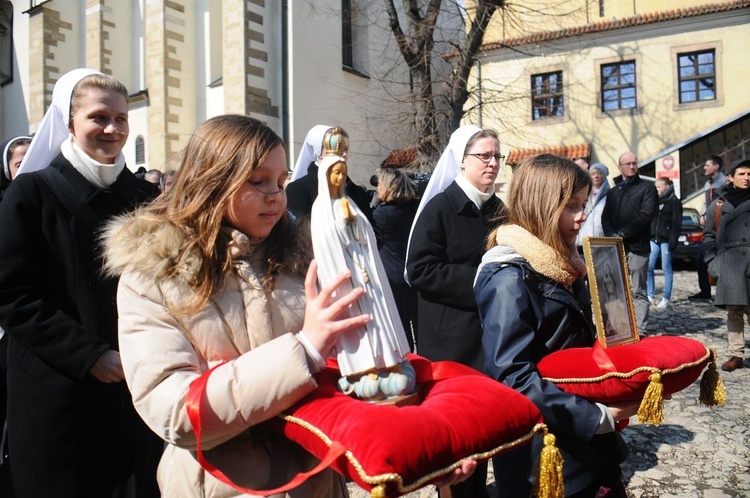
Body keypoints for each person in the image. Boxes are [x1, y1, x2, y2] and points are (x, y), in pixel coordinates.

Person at [103, 115, 475, 496]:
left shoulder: (302, 259)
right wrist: (306, 349)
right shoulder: (155, 276)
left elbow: (351, 382)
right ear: (211, 180)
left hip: (317, 483)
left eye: (282, 182)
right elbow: (177, 411)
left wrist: (422, 446)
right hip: (221, 486)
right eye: (258, 180)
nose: (276, 195)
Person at [0, 68, 162, 497]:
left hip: (135, 385)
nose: (113, 129)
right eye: (99, 117)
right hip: (59, 392)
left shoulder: (145, 199)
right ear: (69, 123)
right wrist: (89, 355)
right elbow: (13, 295)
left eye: (122, 118)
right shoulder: (32, 193)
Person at [475, 154, 638, 498]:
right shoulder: (509, 277)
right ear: (541, 206)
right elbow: (512, 378)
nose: (582, 217)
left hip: (584, 441)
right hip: (548, 448)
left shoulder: (562, 263)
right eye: (571, 206)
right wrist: (595, 417)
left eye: (584, 204)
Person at [406, 125, 506, 498]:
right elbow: (419, 269)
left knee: (484, 427)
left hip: (491, 332)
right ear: (461, 160)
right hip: (453, 340)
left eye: (497, 156)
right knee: (458, 434)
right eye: (484, 155)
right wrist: (483, 280)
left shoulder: (498, 209)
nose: (492, 163)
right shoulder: (440, 207)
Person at [311, 129, 413, 400]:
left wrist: (355, 224)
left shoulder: (350, 204)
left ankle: (388, 361)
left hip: (368, 276)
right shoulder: (322, 209)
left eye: (342, 173)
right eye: (335, 173)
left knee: (379, 320)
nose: (340, 177)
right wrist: (343, 226)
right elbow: (326, 244)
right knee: (357, 326)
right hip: (347, 278)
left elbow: (367, 236)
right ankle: (362, 369)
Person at [601, 151, 657, 335]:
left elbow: (646, 216)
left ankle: (641, 330)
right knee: (616, 291)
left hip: (638, 247)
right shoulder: (613, 191)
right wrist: (612, 237)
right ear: (620, 167)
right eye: (628, 163)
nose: (632, 166)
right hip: (616, 247)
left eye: (634, 163)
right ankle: (620, 328)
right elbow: (605, 217)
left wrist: (622, 234)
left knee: (639, 291)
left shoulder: (647, 188)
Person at [704, 159, 750, 372]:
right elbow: (708, 236)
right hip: (730, 264)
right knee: (734, 311)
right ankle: (736, 354)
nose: (747, 178)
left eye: (749, 174)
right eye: (742, 174)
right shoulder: (719, 204)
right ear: (731, 177)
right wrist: (713, 263)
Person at [286, 124, 374, 227]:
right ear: (319, 152)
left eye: (345, 149)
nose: (344, 154)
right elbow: (299, 234)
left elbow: (375, 232)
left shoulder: (357, 192)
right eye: (336, 148)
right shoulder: (298, 189)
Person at [373, 168, 420, 350]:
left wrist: (373, 204)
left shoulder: (382, 215)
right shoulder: (416, 209)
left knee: (399, 329)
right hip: (414, 275)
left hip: (392, 278)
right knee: (417, 326)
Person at [690, 155, 728, 301]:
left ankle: (723, 294)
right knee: (701, 258)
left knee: (721, 261)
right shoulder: (708, 184)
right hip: (709, 229)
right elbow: (707, 204)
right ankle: (705, 291)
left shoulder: (724, 182)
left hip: (721, 228)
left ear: (716, 166)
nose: (704, 168)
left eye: (707, 165)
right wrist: (703, 215)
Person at [647, 177, 682, 310]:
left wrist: (673, 242)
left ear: (667, 187)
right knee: (649, 266)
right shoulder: (655, 201)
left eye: (659, 187)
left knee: (666, 267)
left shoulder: (674, 202)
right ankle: (650, 294)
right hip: (653, 239)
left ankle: (666, 298)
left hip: (666, 240)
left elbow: (676, 223)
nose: (656, 189)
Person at [575, 162, 611, 249]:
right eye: (593, 173)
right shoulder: (583, 193)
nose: (596, 176)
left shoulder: (610, 194)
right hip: (583, 236)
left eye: (600, 173)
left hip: (601, 237)